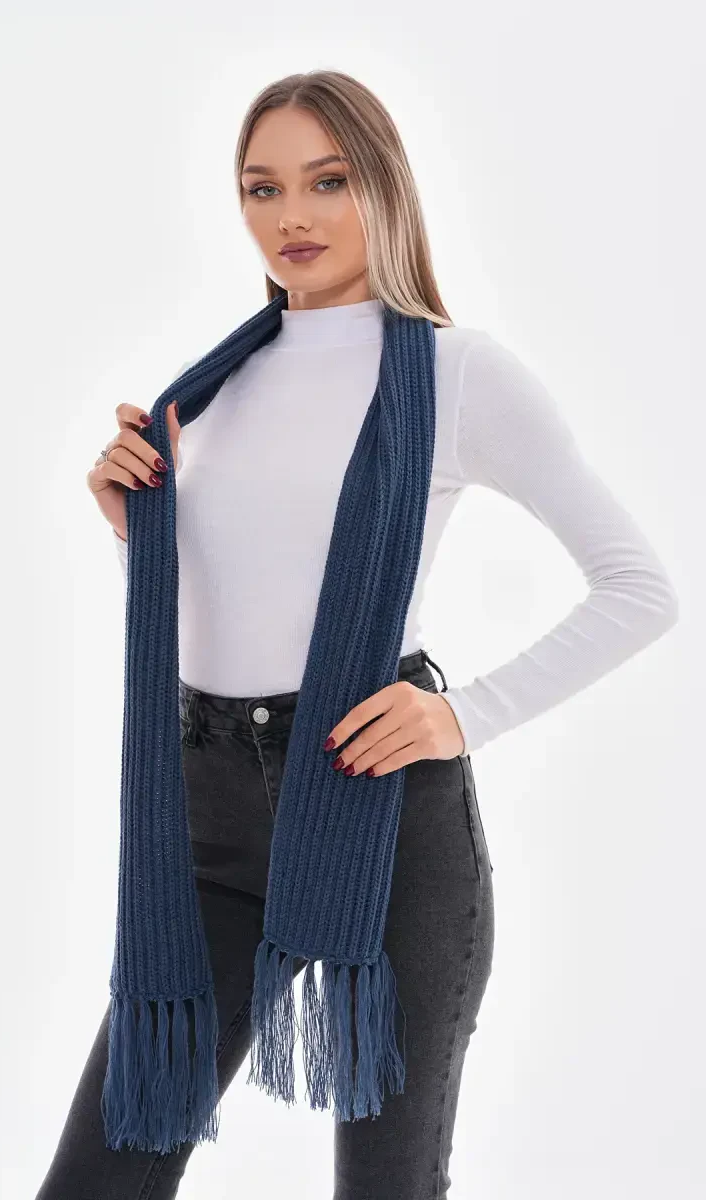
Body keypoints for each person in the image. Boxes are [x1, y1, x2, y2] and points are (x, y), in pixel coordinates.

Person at [36, 69, 679, 1200]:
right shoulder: (207, 392)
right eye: (263, 188)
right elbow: (237, 599)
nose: (293, 215)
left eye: (327, 181)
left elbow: (639, 589)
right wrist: (135, 535)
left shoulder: (456, 374)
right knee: (98, 1180)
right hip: (210, 824)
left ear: (384, 186)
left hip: (383, 824)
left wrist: (462, 716)